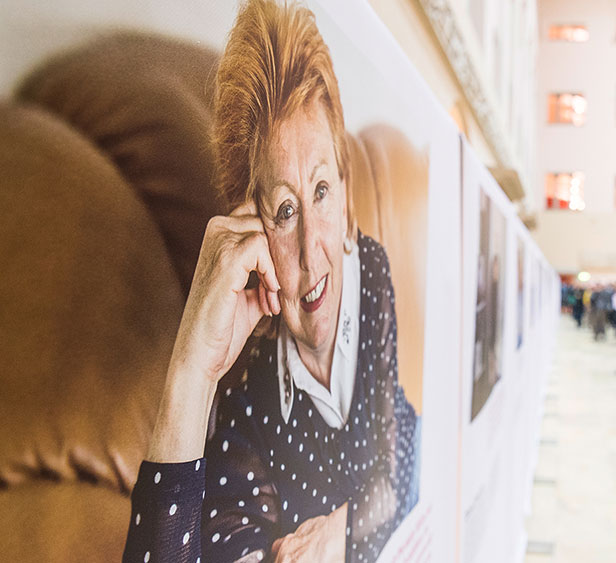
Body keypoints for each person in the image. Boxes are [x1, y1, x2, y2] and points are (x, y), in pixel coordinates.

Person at [122, 2, 420, 561]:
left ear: (347, 188)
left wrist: (341, 530)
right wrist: (192, 374)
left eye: (322, 192)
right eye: (284, 211)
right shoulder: (242, 392)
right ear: (250, 230)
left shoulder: (371, 271)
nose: (312, 251)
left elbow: (400, 453)